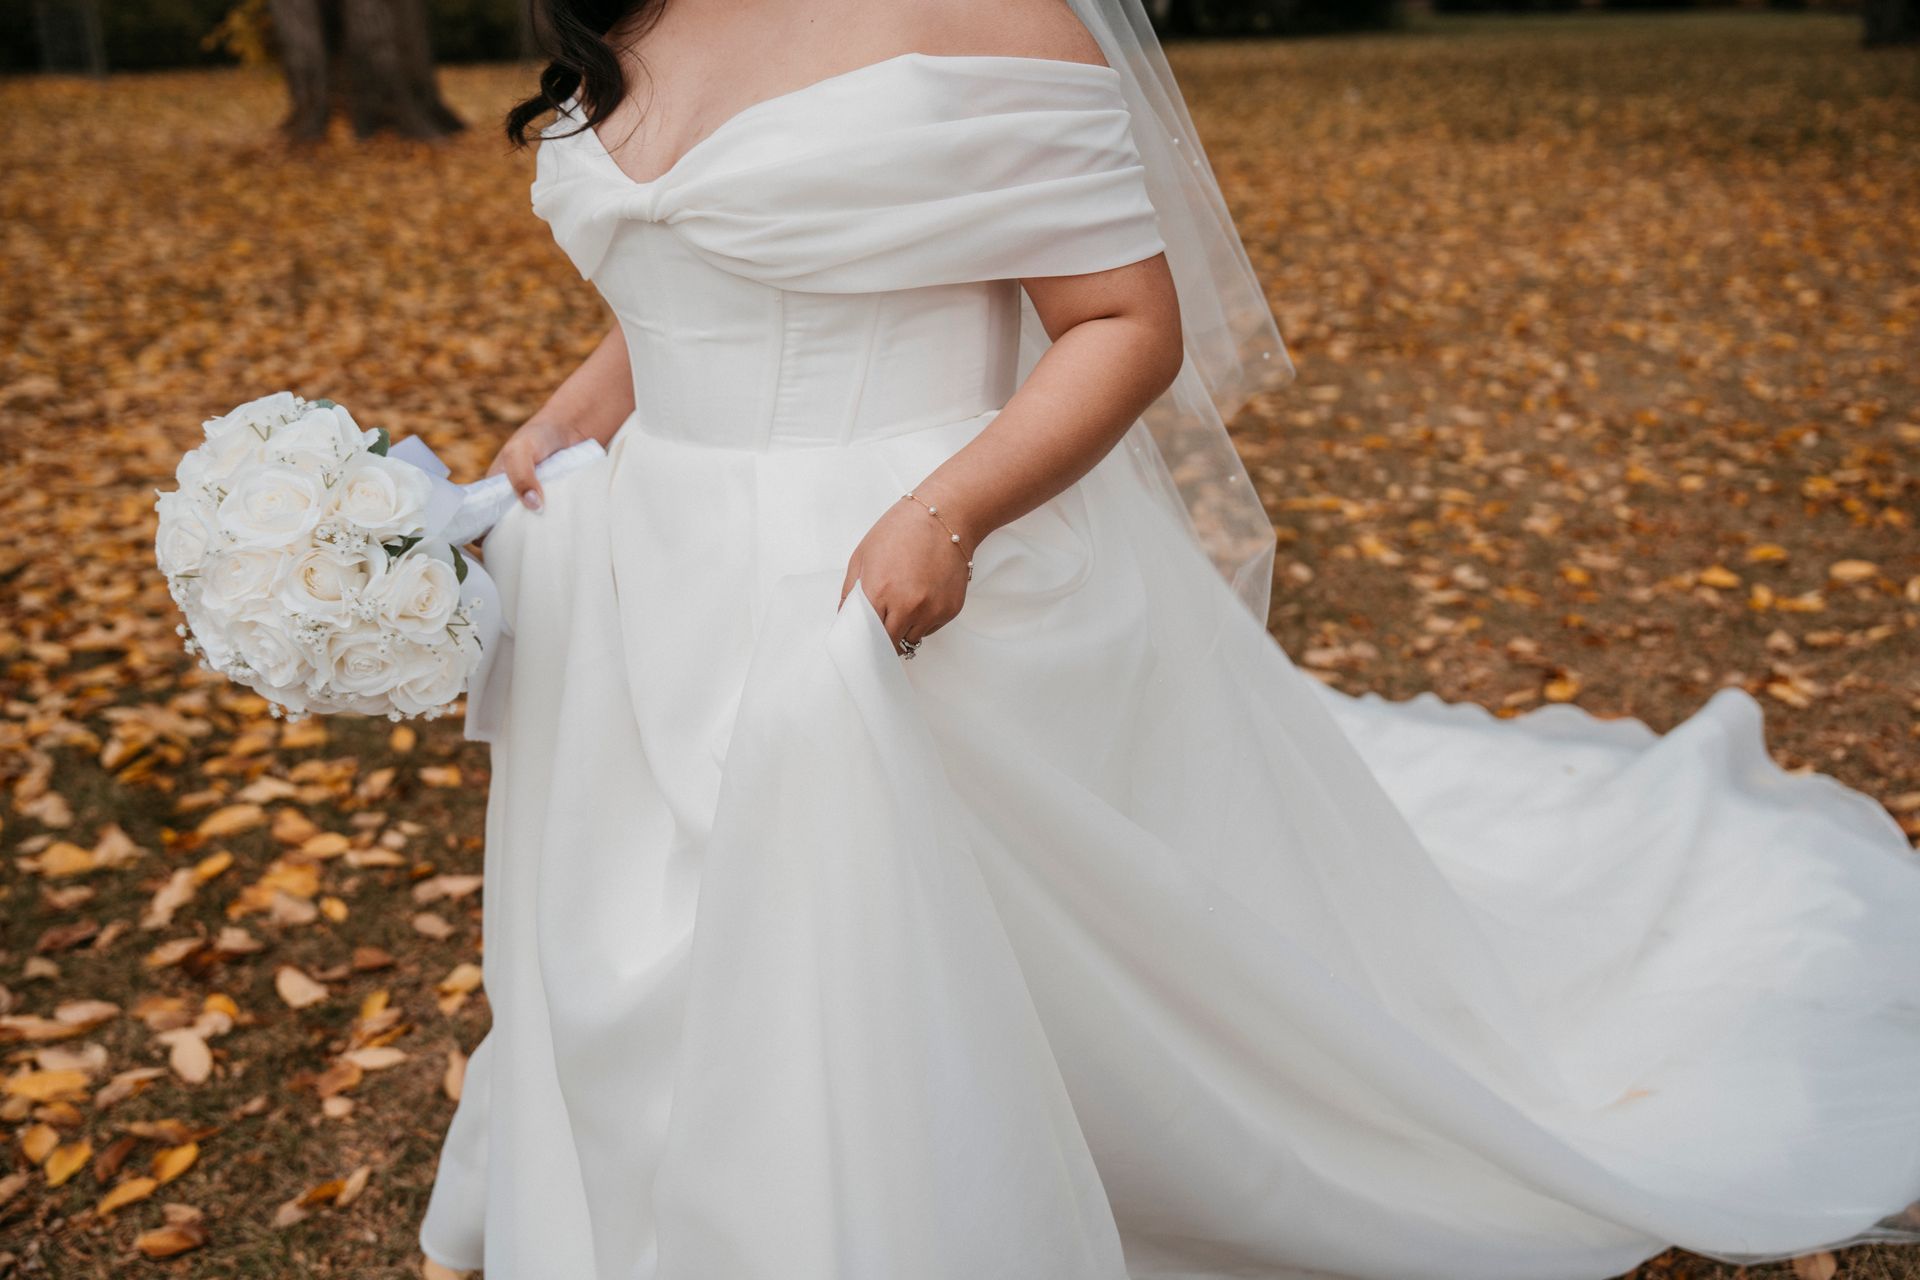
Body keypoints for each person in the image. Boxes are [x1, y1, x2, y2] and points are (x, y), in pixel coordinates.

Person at [416, 0, 1920, 1276]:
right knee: (675, 908)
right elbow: (699, 268)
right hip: (656, 569)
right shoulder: (635, 20)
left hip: (896, 558)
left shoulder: (991, 12)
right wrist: (565, 420)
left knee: (902, 921)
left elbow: (1124, 323)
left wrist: (945, 519)